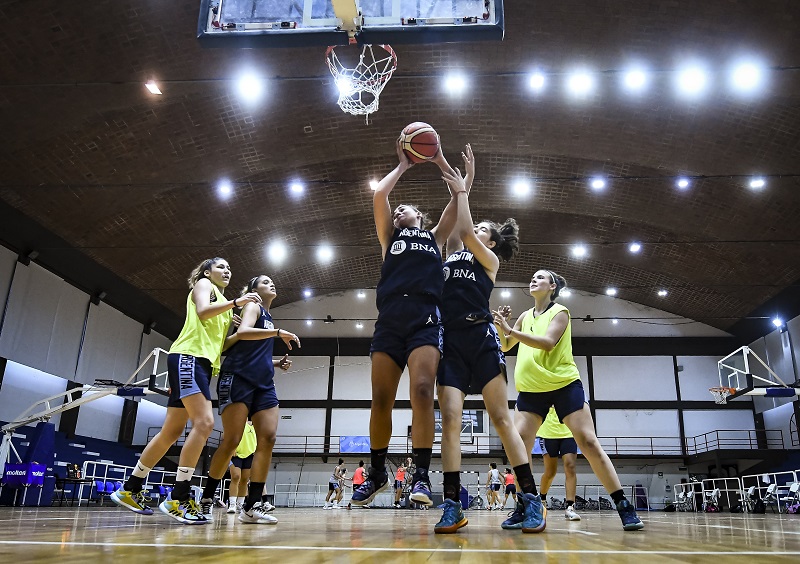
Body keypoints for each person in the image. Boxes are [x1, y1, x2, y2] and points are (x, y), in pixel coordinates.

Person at [433, 146, 543, 534]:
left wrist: (467, 188)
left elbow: (464, 226)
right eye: (476, 225)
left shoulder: (489, 262)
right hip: (450, 341)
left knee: (500, 419)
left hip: (481, 338)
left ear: (492, 242)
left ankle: (531, 500)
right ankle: (451, 505)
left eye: (483, 229)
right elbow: (456, 223)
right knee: (448, 419)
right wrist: (461, 184)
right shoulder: (450, 253)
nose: (475, 229)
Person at [350, 139, 459, 508]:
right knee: (381, 398)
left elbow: (457, 201)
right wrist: (403, 165)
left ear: (420, 217)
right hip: (390, 319)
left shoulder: (435, 237)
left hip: (425, 317)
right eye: (396, 211)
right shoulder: (389, 238)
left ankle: (423, 477)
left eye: (405, 209)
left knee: (424, 391)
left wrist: (438, 157)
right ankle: (379, 473)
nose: (398, 212)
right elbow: (380, 194)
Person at [111, 257, 260, 524]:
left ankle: (130, 488)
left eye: (229, 268)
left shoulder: (225, 310)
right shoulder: (203, 285)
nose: (227, 271)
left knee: (172, 431)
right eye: (221, 267)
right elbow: (202, 311)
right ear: (207, 271)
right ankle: (179, 497)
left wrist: (239, 331)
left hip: (200, 365)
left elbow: (220, 347)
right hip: (188, 358)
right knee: (204, 423)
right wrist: (237, 302)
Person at [493, 270, 645, 531]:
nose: (533, 279)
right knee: (519, 447)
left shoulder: (560, 312)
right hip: (530, 390)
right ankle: (524, 506)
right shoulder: (524, 317)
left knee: (588, 442)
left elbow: (548, 342)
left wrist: (509, 331)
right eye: (532, 277)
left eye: (540, 277)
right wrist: (501, 327)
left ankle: (623, 506)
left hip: (563, 385)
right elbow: (507, 346)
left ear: (552, 286)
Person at [198, 274, 299, 525]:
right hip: (237, 377)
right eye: (264, 282)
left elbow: (256, 351)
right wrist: (277, 333)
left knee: (268, 438)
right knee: (232, 440)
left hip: (264, 384)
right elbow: (242, 333)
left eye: (272, 281)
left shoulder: (267, 316)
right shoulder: (252, 307)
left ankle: (252, 506)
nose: (271, 283)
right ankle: (207, 499)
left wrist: (276, 362)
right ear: (253, 289)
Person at [537, 407, 582, 521]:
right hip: (548, 433)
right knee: (550, 472)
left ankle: (570, 507)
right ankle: (542, 499)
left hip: (569, 432)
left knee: (570, 466)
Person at [225, 420, 257, 515]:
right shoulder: (235, 422)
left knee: (244, 480)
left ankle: (240, 504)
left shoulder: (255, 425)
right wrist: (231, 448)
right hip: (236, 454)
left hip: (249, 454)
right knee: (236, 476)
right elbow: (226, 434)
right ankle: (232, 504)